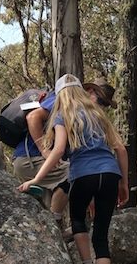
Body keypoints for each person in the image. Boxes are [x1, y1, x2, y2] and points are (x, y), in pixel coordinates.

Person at [17, 74, 129, 264]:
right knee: (101, 235)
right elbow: (120, 148)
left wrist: (36, 179)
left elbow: (58, 151)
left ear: (60, 95)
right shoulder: (99, 114)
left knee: (78, 220)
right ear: (81, 91)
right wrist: (124, 182)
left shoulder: (62, 116)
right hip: (109, 174)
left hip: (83, 175)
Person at [12, 78, 118, 236]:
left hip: (42, 162)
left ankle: (51, 234)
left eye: (106, 105)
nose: (102, 107)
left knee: (50, 205)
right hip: (31, 159)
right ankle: (56, 228)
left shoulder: (84, 115)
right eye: (101, 101)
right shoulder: (64, 100)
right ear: (90, 92)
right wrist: (44, 151)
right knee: (73, 174)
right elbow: (33, 117)